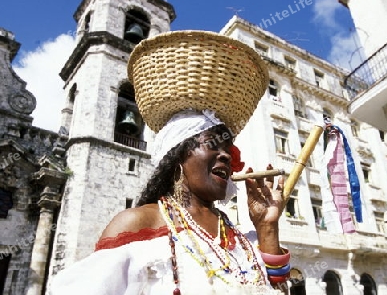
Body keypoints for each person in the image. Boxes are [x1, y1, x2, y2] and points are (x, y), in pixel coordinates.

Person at [49, 31, 291, 294]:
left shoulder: (237, 236)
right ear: (177, 156)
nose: (225, 155)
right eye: (212, 143)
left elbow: (275, 287)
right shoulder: (138, 224)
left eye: (228, 148)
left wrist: (267, 228)